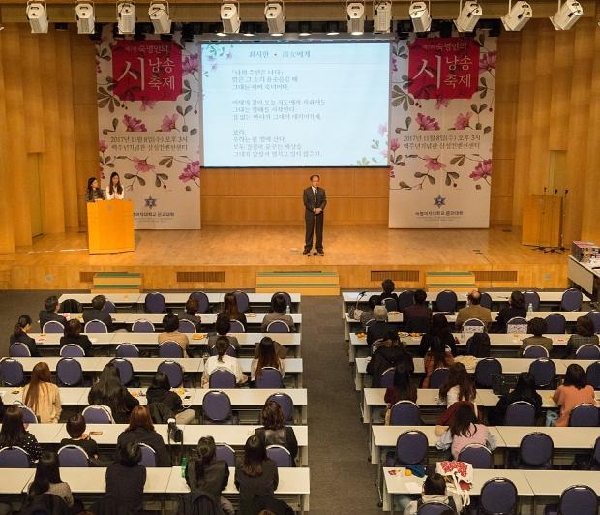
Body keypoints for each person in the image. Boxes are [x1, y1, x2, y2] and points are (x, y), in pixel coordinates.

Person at [185, 435, 234, 515]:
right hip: (215, 504)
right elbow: (223, 485)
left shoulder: (190, 465)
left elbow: (190, 483)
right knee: (230, 509)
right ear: (214, 452)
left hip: (195, 506)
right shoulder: (222, 466)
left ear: (197, 451)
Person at [235, 435, 279, 515]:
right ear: (263, 450)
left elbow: (238, 486)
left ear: (246, 450)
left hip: (245, 510)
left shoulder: (239, 465)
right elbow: (275, 486)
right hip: (266, 511)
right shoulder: (272, 465)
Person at [105, 441, 146, 514]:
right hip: (134, 511)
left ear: (121, 454)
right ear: (139, 456)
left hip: (111, 511)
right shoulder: (141, 470)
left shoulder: (111, 469)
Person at [255, 401, 298, 465]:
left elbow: (257, 456)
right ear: (280, 414)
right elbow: (294, 453)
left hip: (266, 469)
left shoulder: (259, 433)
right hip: (287, 466)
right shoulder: (289, 431)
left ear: (264, 416)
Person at [303, 174, 326, 255]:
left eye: (317, 181)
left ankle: (319, 248)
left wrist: (320, 208)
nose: (316, 183)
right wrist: (314, 209)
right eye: (314, 181)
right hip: (310, 214)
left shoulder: (322, 191)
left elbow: (324, 201)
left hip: (319, 214)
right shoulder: (306, 191)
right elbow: (306, 203)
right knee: (309, 231)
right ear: (311, 182)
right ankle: (308, 248)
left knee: (319, 231)